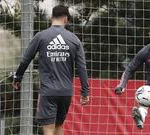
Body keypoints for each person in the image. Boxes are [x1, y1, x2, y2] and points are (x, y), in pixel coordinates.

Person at [12, 5, 90, 135]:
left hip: (48, 91)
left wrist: (17, 77)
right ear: (65, 19)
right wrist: (85, 92)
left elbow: (26, 59)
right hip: (66, 92)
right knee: (59, 126)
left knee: (48, 129)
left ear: (50, 18)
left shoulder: (41, 36)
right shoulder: (74, 39)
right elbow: (82, 67)